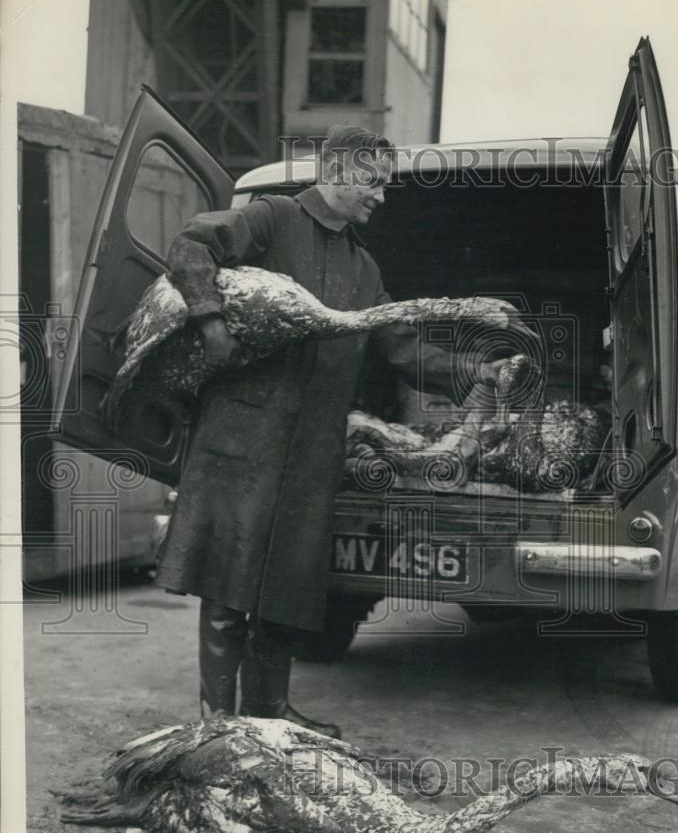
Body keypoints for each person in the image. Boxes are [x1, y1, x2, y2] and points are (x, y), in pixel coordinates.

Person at [155, 125, 513, 738]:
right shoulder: (272, 220)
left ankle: (269, 715)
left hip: (315, 448)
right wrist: (210, 320)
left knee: (287, 584)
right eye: (375, 182)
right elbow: (192, 244)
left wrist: (475, 373)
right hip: (244, 438)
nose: (382, 197)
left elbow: (398, 344)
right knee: (227, 581)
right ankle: (216, 724)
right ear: (342, 171)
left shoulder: (362, 265)